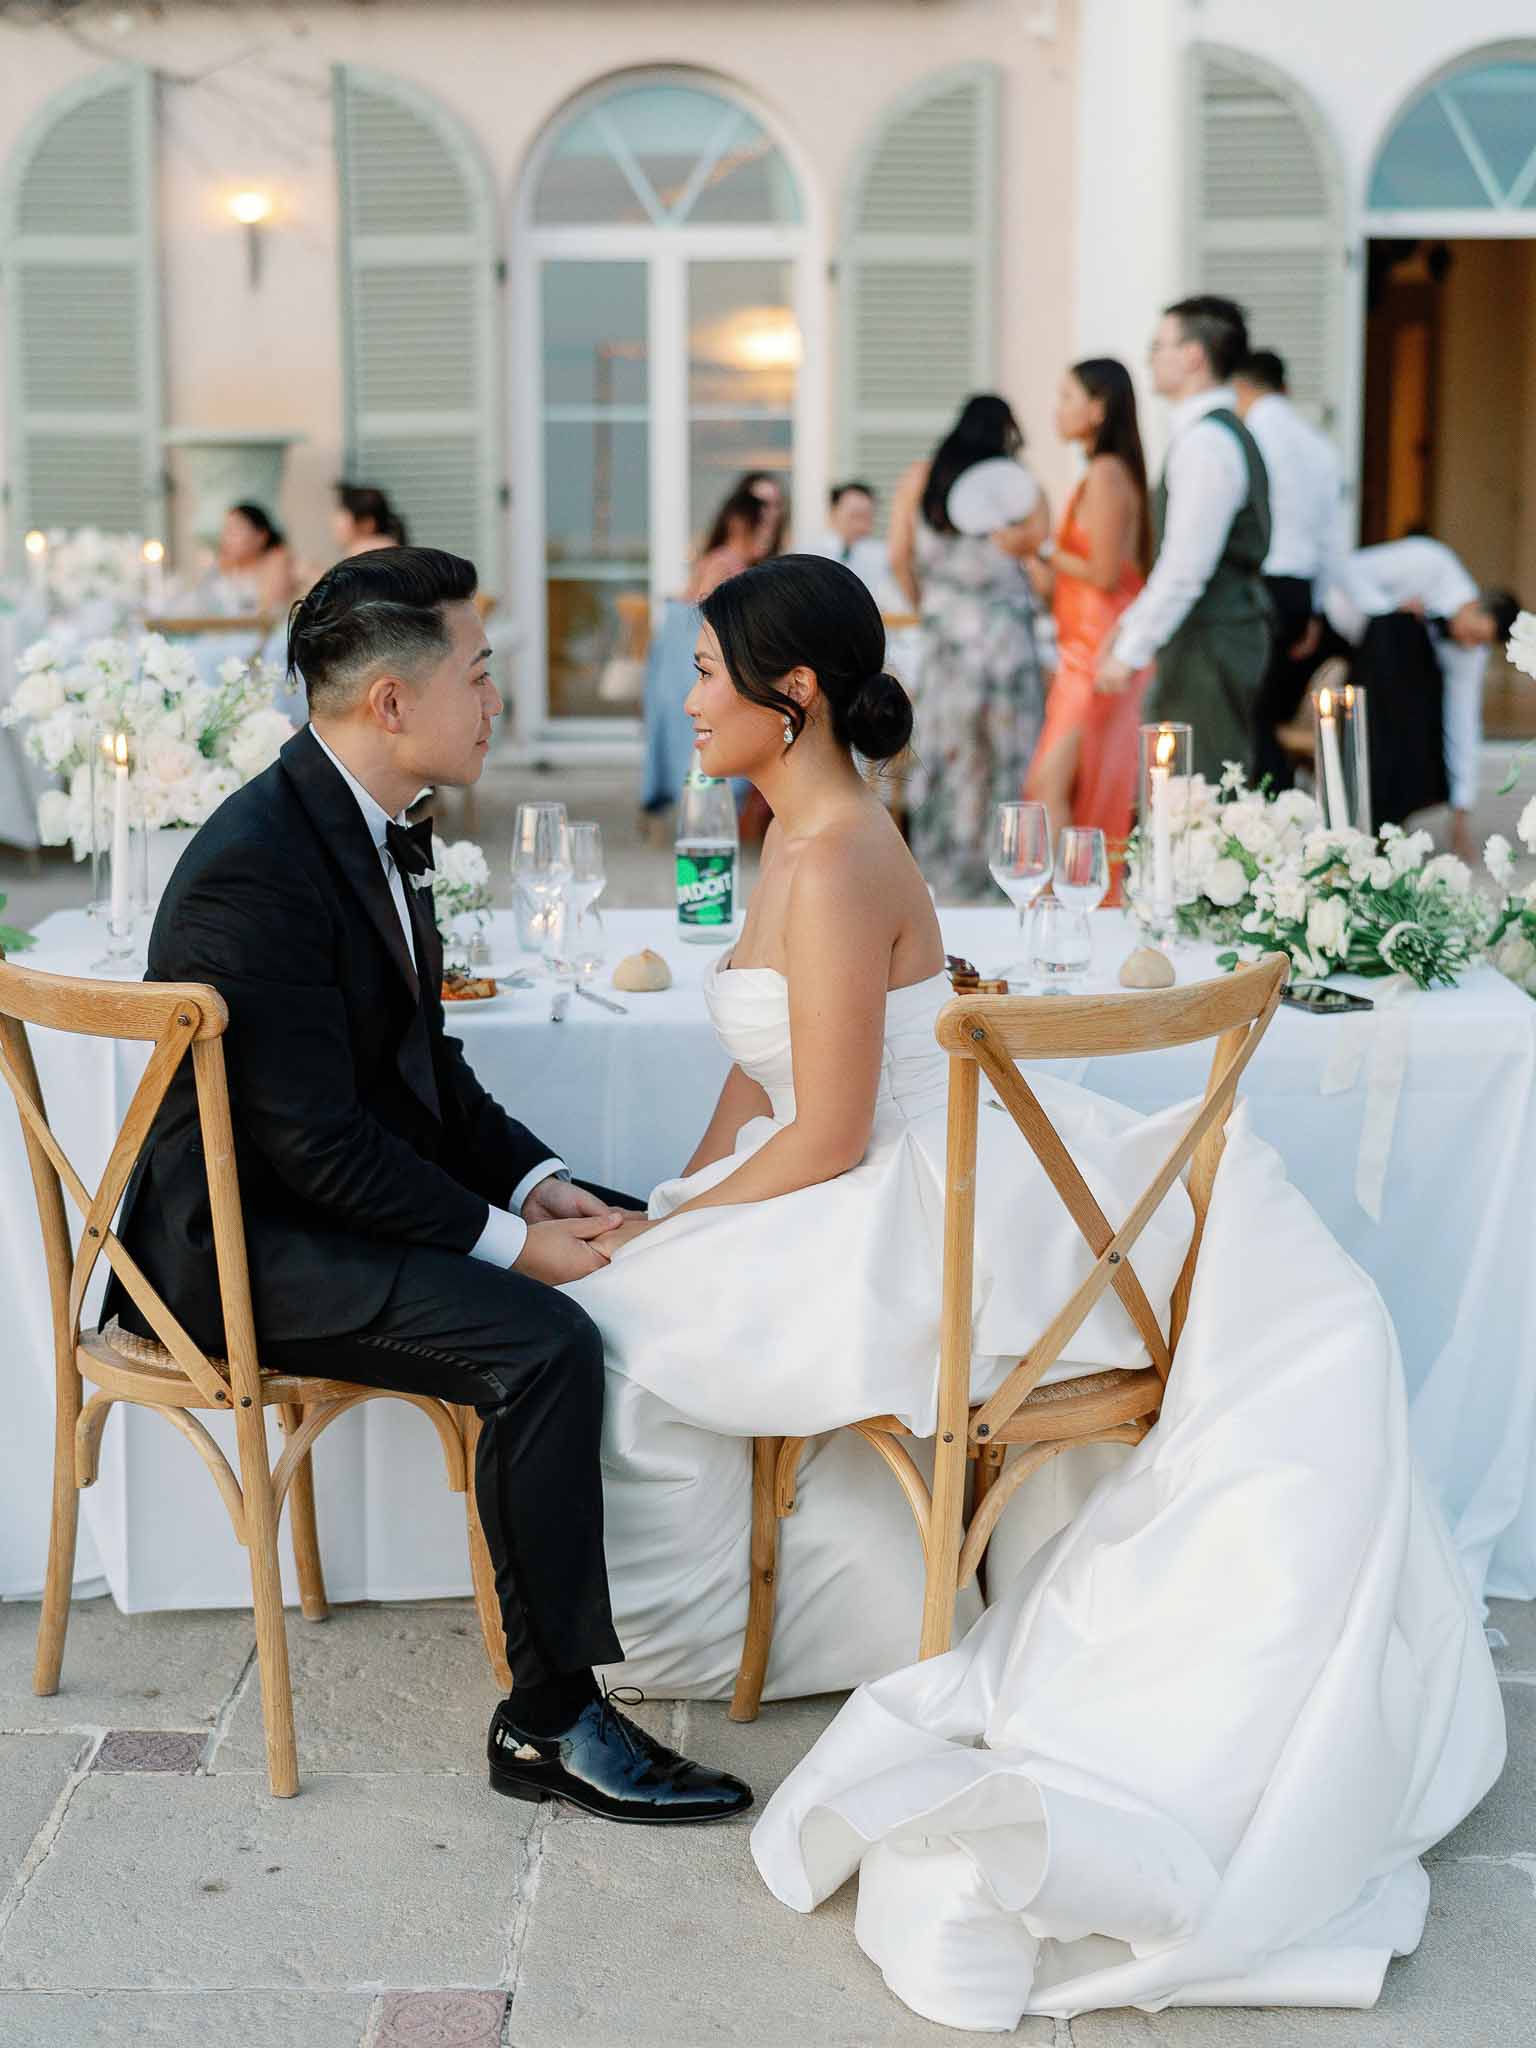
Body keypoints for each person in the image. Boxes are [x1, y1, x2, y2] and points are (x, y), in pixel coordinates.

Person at [544, 553, 1499, 2025]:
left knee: (618, 1316)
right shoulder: (780, 828)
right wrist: (661, 1199)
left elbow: (831, 1127)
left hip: (909, 1202)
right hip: (848, 1174)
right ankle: (773, 1622)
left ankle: (728, 1642)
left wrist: (668, 1236)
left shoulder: (847, 848)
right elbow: (759, 1066)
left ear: (789, 698)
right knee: (611, 1293)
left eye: (704, 677)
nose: (685, 700)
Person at [105, 547, 749, 1827]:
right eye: (480, 670)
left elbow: (427, 1075)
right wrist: (515, 1249)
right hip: (234, 1251)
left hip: (312, 1204)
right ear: (391, 704)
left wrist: (546, 1183)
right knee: (543, 1341)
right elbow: (319, 1150)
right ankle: (550, 1716)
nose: (496, 695)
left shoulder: (364, 823)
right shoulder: (260, 865)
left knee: (639, 1224)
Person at [1101, 296, 1271, 782]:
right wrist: (1129, 625)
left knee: (1201, 788)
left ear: (1194, 356)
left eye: (1159, 346)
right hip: (1207, 632)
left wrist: (1129, 651)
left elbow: (1185, 567)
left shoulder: (1207, 443)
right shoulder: (1209, 434)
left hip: (1210, 637)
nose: (1150, 357)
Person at [887, 396, 1047, 899]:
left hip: (948, 643)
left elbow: (898, 557)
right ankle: (1006, 881)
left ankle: (943, 882)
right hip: (1007, 645)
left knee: (949, 759)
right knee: (1007, 761)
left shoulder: (921, 478)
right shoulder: (1023, 490)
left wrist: (933, 605)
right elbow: (1043, 574)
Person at [1024, 358, 1152, 881]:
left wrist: (1044, 547)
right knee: (1063, 787)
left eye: (1067, 397)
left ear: (1097, 409)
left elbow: (1102, 573)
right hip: (1078, 649)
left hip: (1099, 651)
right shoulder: (1099, 473)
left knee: (1050, 785)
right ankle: (1068, 897)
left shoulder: (1105, 474)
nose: (1058, 410)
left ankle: (1065, 899)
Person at [1323, 537, 1520, 857]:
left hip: (1395, 689)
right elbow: (1348, 570)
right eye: (1472, 634)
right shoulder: (1430, 561)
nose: (1470, 644)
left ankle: (1390, 816)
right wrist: (1390, 608)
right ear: (1472, 605)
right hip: (1341, 628)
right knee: (1398, 629)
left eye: (1479, 643)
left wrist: (1461, 813)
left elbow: (1463, 718)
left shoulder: (1469, 652)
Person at [1232, 350, 1347, 789]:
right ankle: (1277, 807)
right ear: (1285, 388)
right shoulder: (1319, 445)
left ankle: (1266, 805)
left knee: (1249, 707)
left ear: (1242, 387)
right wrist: (1315, 610)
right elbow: (1329, 539)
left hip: (1258, 584)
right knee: (1269, 707)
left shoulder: (1245, 437)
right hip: (1299, 589)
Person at [642, 482, 773, 816]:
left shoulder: (728, 562)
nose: (769, 534)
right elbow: (708, 622)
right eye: (763, 525)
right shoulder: (723, 564)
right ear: (742, 525)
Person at [803, 480, 891, 599]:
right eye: (855, 515)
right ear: (833, 512)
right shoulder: (807, 553)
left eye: (867, 516)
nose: (860, 524)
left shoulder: (884, 555)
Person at [214, 502, 299, 616]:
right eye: (225, 531)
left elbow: (268, 612)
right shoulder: (224, 564)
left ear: (261, 536)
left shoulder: (277, 559)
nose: (226, 538)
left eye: (234, 531)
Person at [333, 483, 410, 558]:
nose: (335, 525)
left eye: (343, 516)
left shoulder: (365, 552)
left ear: (366, 523)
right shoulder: (390, 549)